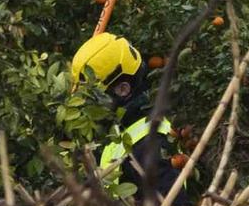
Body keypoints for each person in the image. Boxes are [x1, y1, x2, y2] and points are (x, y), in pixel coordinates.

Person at [69, 32, 175, 194]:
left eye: (93, 97)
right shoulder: (117, 130)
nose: (85, 106)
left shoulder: (149, 146)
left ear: (122, 89)